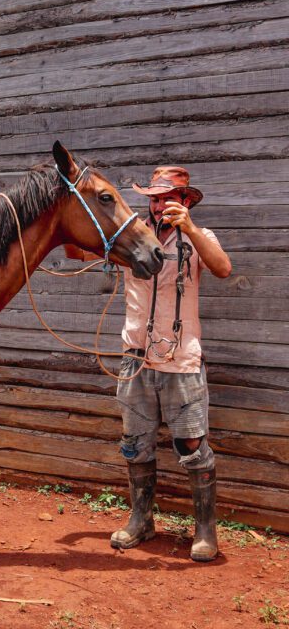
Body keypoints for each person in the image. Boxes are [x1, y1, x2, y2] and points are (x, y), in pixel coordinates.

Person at [67, 166, 232, 561]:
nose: (158, 206)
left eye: (166, 199)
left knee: (192, 444)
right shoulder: (133, 236)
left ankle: (205, 531)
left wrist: (190, 229)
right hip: (135, 357)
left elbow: (223, 269)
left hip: (181, 359)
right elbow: (76, 251)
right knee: (135, 443)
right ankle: (141, 520)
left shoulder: (199, 238)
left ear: (186, 200)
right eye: (154, 199)